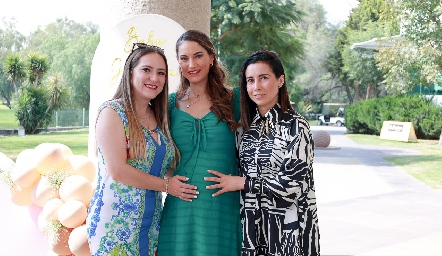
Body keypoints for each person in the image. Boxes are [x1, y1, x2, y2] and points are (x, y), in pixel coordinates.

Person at [86, 43, 198, 256]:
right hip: (115, 224)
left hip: (150, 225)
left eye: (161, 73)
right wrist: (168, 186)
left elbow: (162, 165)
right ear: (130, 73)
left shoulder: (160, 117)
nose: (154, 78)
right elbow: (117, 170)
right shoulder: (112, 112)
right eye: (146, 70)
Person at [205, 50, 320, 255]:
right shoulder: (245, 129)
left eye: (263, 78)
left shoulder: (296, 126)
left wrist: (242, 183)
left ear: (280, 80)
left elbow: (289, 188)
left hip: (288, 233)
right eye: (250, 80)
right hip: (252, 233)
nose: (256, 87)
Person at [157, 30, 241, 256]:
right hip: (180, 209)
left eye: (198, 56)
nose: (191, 64)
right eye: (184, 58)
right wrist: (168, 180)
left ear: (212, 57)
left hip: (222, 207)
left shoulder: (235, 99)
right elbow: (155, 152)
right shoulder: (169, 104)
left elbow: (260, 146)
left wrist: (242, 181)